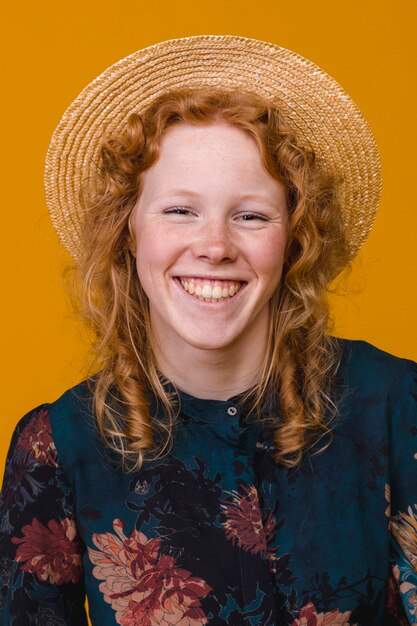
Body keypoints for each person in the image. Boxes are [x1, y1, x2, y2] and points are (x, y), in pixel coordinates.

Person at [0, 35, 416, 626]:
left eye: (250, 215)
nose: (215, 246)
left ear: (295, 238)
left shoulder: (398, 406)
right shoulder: (58, 450)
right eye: (179, 210)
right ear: (129, 233)